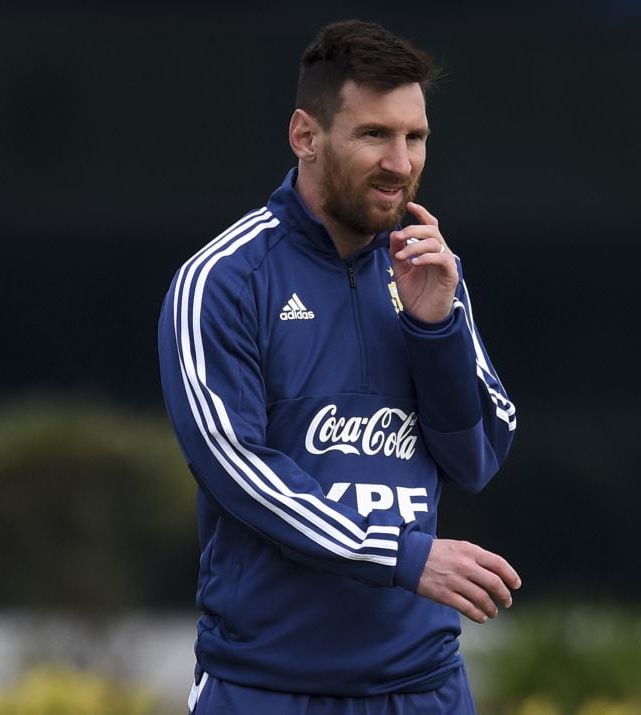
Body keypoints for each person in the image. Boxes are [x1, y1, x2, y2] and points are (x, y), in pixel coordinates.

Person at [158, 19, 520, 715]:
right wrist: (401, 554)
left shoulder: (429, 270)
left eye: (414, 138)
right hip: (266, 687)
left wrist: (435, 328)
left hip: (422, 689)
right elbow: (238, 467)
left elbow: (476, 457)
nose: (400, 161)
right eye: (374, 135)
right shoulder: (225, 279)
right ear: (305, 136)